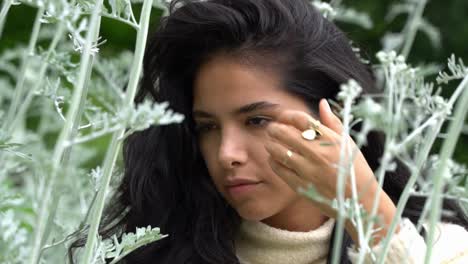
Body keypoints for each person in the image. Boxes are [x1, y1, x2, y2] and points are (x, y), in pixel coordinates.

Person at [70, 0, 468, 263]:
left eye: (256, 120)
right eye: (207, 127)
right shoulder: (158, 251)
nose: (227, 153)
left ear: (337, 115)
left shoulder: (443, 249)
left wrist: (368, 212)